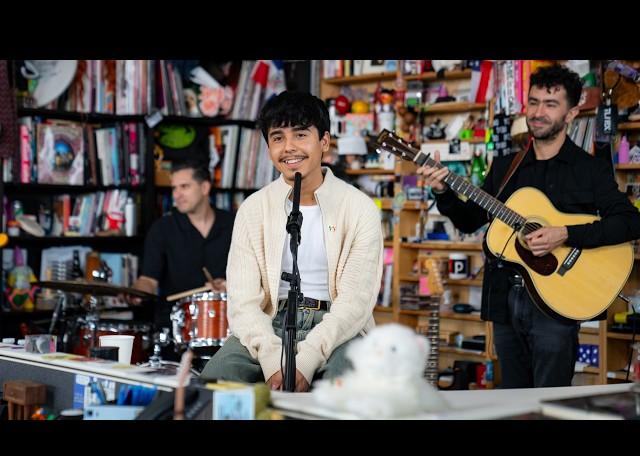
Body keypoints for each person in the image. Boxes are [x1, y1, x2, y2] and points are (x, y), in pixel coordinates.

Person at [417, 64, 640, 388]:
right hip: (506, 299)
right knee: (512, 398)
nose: (538, 112)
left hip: (558, 303)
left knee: (549, 399)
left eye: (550, 105)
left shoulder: (590, 169)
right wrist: (442, 191)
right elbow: (470, 222)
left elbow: (631, 223)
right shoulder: (507, 167)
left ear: (572, 113)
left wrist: (565, 233)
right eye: (533, 102)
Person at [200, 91, 384, 392]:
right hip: (269, 322)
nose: (289, 148)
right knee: (211, 385)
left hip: (338, 328)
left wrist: (307, 360)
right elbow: (243, 303)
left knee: (346, 388)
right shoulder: (253, 208)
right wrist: (274, 362)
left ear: (324, 141)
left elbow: (354, 303)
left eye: (300, 134)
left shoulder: (360, 208)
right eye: (277, 138)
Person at [129, 159, 234, 337]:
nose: (176, 195)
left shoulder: (235, 224)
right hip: (176, 328)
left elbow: (259, 277)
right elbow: (149, 279)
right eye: (174, 188)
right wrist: (136, 291)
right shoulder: (162, 228)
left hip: (227, 325)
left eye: (184, 186)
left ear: (204, 188)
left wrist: (230, 286)